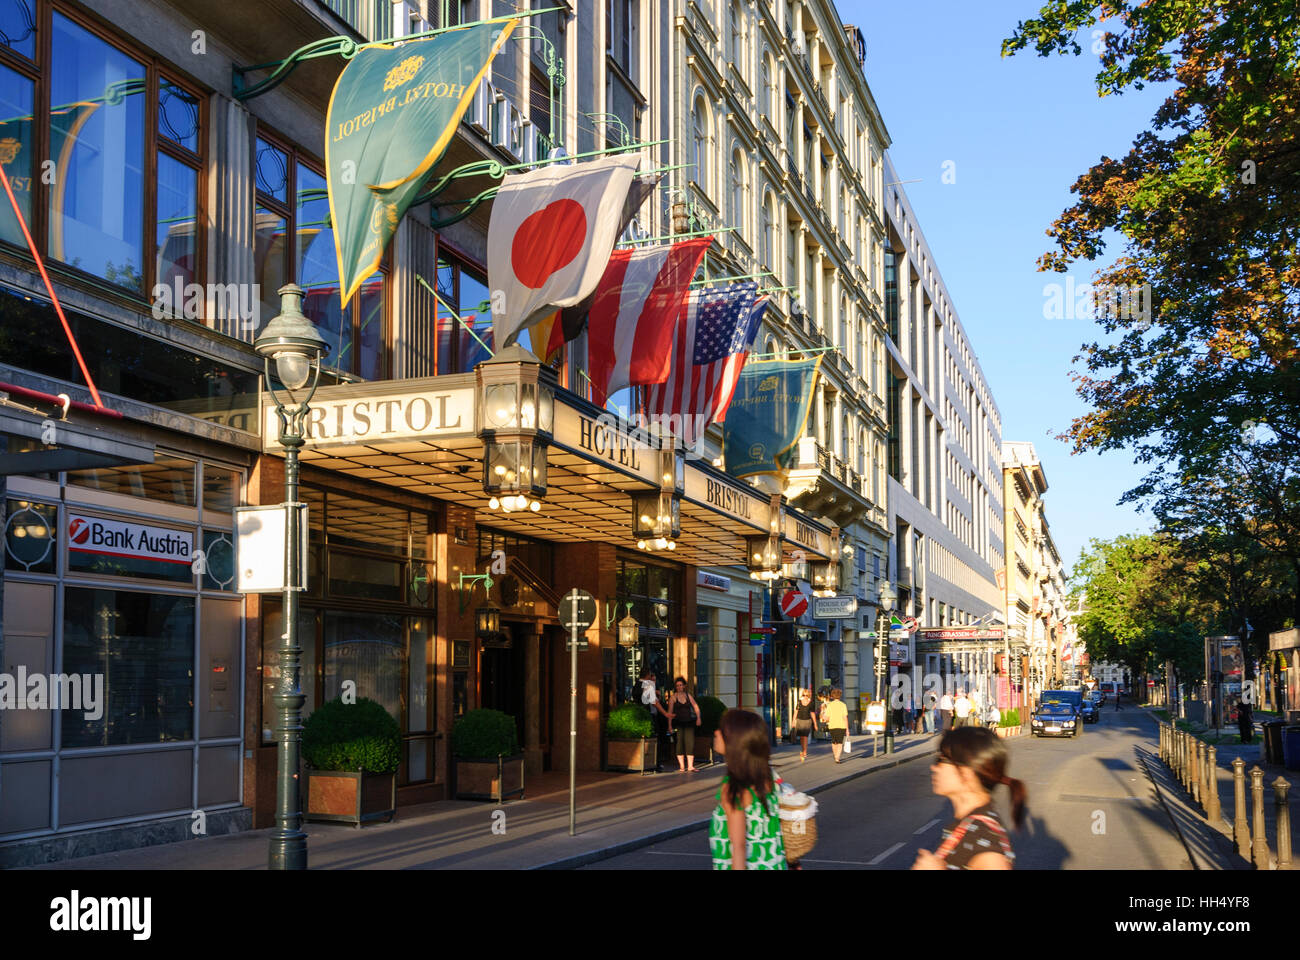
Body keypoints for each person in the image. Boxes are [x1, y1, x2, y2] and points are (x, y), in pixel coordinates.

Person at [912, 726, 1026, 870]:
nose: (934, 768)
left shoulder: (983, 841)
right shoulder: (967, 824)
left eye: (940, 760)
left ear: (967, 772)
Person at [708, 708, 787, 870]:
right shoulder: (768, 777)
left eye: (722, 730)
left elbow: (738, 847)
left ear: (735, 741)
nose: (716, 732)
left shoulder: (734, 787)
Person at [666, 677, 702, 772]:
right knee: (679, 744)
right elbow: (669, 712)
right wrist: (669, 726)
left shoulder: (688, 695)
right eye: (677, 685)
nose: (679, 687)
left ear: (684, 686)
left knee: (690, 743)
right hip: (678, 724)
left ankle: (690, 766)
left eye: (681, 685)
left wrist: (698, 718)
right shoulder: (673, 697)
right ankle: (682, 766)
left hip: (689, 723)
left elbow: (696, 706)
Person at [640, 670, 673, 771]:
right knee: (654, 739)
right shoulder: (647, 688)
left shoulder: (652, 689)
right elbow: (654, 703)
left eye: (654, 680)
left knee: (658, 739)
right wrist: (666, 713)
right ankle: (654, 763)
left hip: (656, 716)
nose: (653, 682)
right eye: (651, 679)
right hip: (651, 717)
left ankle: (655, 762)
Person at [824, 688, 849, 762]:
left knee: (834, 742)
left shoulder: (830, 705)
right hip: (841, 726)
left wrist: (824, 718)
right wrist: (847, 729)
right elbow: (845, 718)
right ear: (840, 696)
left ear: (832, 696)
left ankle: (835, 755)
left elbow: (827, 718)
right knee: (839, 742)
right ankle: (837, 757)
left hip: (832, 726)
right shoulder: (843, 705)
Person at [794, 688, 818, 761]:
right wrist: (793, 721)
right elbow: (796, 711)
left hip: (807, 721)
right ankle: (803, 748)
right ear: (802, 695)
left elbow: (813, 714)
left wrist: (815, 724)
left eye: (806, 695)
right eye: (804, 695)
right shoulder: (799, 702)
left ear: (809, 695)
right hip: (799, 720)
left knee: (805, 736)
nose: (805, 696)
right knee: (801, 737)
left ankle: (805, 751)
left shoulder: (811, 703)